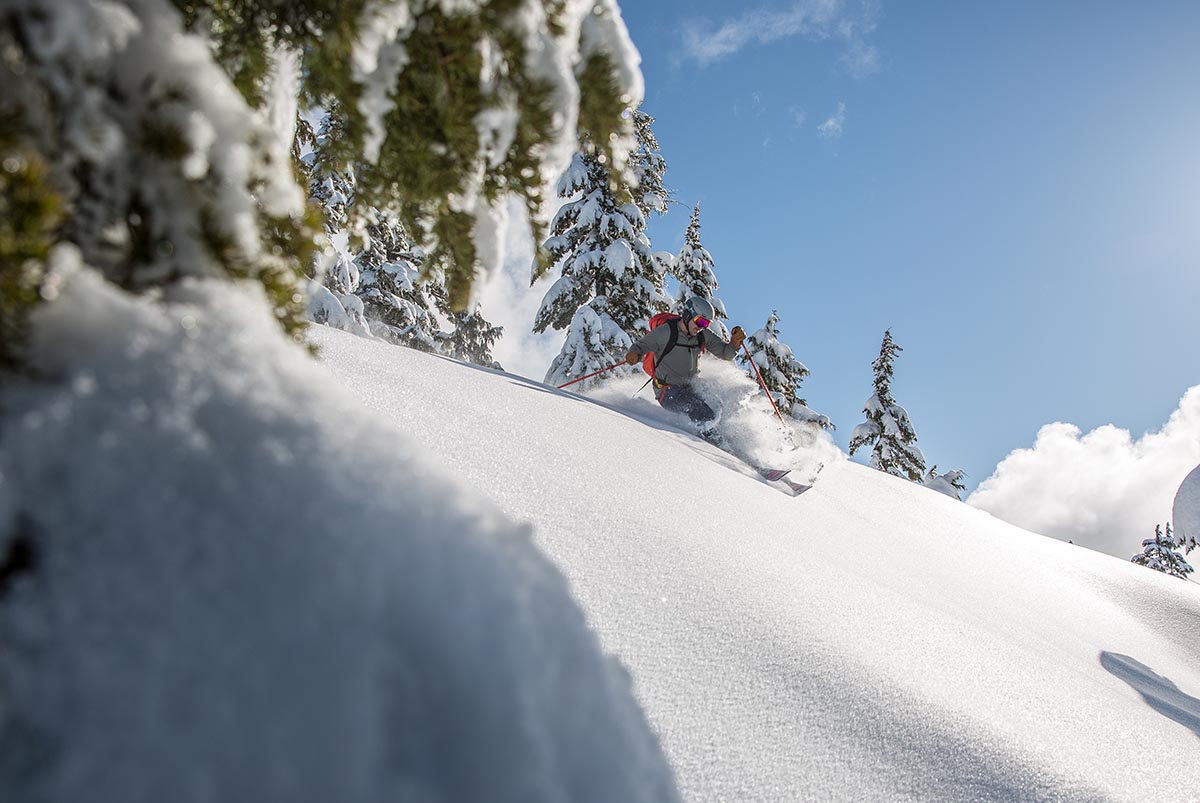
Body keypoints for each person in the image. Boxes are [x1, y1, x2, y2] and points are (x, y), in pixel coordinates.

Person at [624, 296, 746, 431]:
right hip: (667, 391)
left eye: (706, 324)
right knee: (703, 414)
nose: (701, 327)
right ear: (688, 315)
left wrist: (735, 343)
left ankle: (724, 440)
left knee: (718, 406)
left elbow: (725, 353)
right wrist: (634, 353)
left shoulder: (702, 335)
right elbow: (641, 345)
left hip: (689, 387)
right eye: (700, 322)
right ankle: (704, 444)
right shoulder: (666, 332)